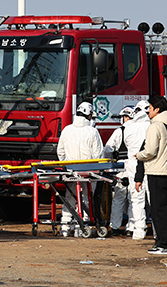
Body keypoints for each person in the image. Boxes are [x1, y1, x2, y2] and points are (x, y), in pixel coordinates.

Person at [136, 95, 167, 255]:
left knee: (158, 209)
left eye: (150, 108)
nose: (148, 111)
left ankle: (163, 244)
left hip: (156, 171)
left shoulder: (155, 127)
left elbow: (151, 151)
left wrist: (139, 155)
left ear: (157, 109)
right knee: (165, 208)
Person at [56, 101, 103, 236]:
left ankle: (65, 227)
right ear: (89, 115)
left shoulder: (67, 130)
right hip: (88, 172)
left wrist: (67, 165)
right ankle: (81, 227)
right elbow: (98, 154)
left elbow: (61, 152)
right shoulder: (92, 131)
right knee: (86, 198)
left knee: (69, 198)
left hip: (71, 170)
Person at [103, 106, 135, 236]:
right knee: (134, 199)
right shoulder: (141, 129)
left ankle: (115, 226)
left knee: (119, 198)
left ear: (125, 117)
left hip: (121, 167)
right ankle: (132, 228)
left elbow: (108, 150)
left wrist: (110, 163)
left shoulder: (119, 131)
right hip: (136, 166)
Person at [127, 100, 152, 240]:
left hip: (133, 165)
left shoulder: (129, 127)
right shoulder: (152, 125)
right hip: (150, 164)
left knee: (136, 199)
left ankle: (139, 230)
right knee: (153, 198)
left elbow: (127, 143)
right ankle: (157, 230)